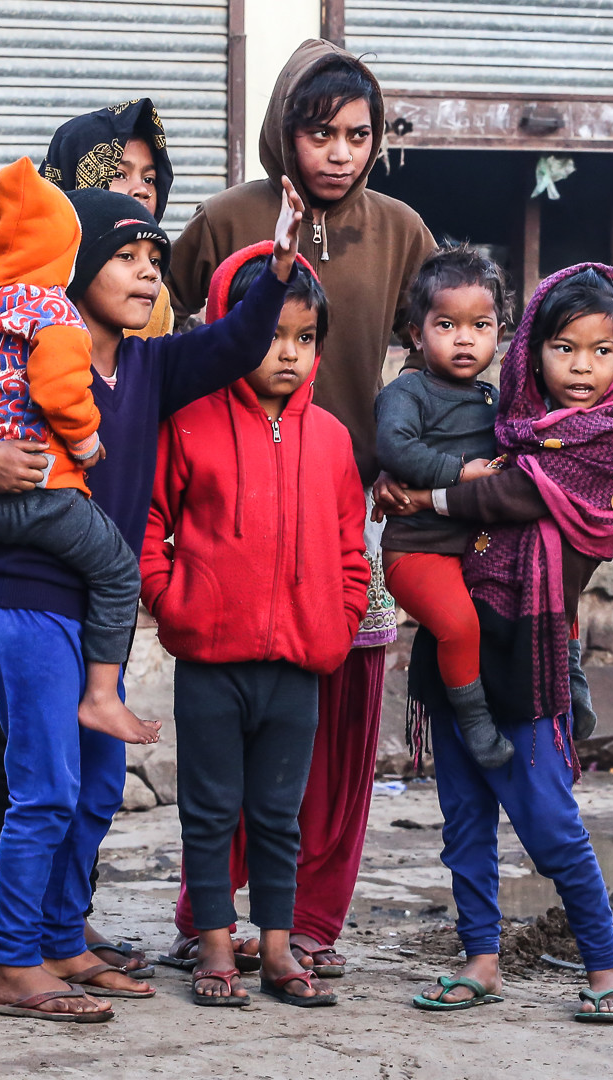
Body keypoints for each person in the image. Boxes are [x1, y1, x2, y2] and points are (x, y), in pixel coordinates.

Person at [0, 179, 306, 1021]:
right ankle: (10, 964)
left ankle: (59, 938)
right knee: (43, 790)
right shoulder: (18, 350)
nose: (146, 274)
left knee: (91, 791)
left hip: (96, 627)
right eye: (125, 257)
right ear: (76, 265)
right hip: (27, 603)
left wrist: (277, 268)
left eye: (154, 260)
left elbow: (233, 344)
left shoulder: (152, 366)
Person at [163, 38, 434, 979]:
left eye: (359, 135)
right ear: (286, 129)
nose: (339, 153)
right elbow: (156, 337)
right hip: (229, 503)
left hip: (345, 509)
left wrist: (412, 460)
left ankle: (310, 920)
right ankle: (211, 918)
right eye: (320, 132)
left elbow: (448, 352)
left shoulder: (401, 231)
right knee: (227, 725)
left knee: (339, 726)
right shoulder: (226, 218)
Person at [395, 265, 613, 1022]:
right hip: (459, 639)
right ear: (532, 350)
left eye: (600, 352)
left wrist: (426, 494)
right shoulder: (502, 423)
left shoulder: (612, 441)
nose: (581, 368)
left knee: (551, 825)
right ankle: (481, 959)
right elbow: (424, 448)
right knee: (463, 823)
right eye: (563, 347)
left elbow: (513, 494)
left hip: (531, 650)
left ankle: (604, 966)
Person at [143, 242, 368, 1007]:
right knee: (208, 813)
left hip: (298, 666)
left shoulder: (333, 440)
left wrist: (336, 626)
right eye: (273, 334)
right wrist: (169, 600)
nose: (290, 355)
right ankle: (213, 946)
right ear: (228, 327)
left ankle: (277, 951)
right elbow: (151, 521)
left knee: (278, 816)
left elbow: (350, 549)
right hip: (210, 660)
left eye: (306, 339)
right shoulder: (191, 421)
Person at [0, 157, 156, 750]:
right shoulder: (50, 312)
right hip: (39, 491)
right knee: (117, 569)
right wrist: (83, 441)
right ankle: (104, 696)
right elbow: (59, 390)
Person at [374, 245, 512, 768]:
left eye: (480, 325)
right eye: (446, 325)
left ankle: (568, 680)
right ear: (416, 334)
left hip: (473, 548)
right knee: (459, 627)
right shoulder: (408, 393)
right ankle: (475, 725)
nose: (464, 339)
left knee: (544, 586)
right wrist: (459, 472)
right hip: (418, 550)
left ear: (499, 332)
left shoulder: (493, 400)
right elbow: (394, 448)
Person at [40, 97, 176, 339]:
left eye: (149, 179)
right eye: (120, 174)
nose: (142, 190)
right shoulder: (24, 287)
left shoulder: (153, 295)